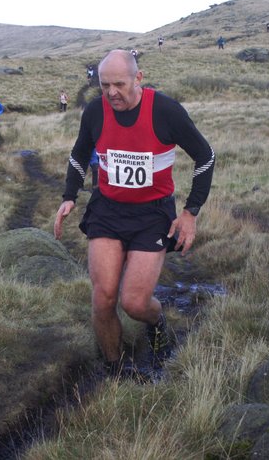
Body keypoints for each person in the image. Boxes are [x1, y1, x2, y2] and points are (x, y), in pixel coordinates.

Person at [53, 49, 215, 376]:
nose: (112, 92)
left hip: (152, 215)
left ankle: (156, 322)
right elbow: (79, 154)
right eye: (105, 85)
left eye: (119, 84)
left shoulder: (165, 111)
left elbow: (205, 156)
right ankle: (115, 369)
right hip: (107, 211)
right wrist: (69, 196)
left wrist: (190, 212)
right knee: (103, 299)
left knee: (135, 303)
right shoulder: (96, 111)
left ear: (138, 78)